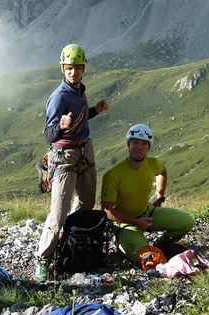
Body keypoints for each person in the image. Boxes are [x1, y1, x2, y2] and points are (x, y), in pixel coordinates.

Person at [35, 44, 108, 280]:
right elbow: (48, 135)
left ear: (82, 68)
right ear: (63, 69)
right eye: (69, 68)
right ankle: (43, 260)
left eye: (76, 68)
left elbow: (80, 117)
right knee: (58, 212)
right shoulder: (59, 97)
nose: (73, 73)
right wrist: (61, 126)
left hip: (85, 153)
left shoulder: (79, 92)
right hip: (65, 157)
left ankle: (71, 244)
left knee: (86, 204)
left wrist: (94, 111)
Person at [101, 124, 194, 265]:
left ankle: (159, 245)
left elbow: (163, 171)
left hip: (147, 213)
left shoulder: (152, 164)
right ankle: (125, 241)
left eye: (144, 144)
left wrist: (160, 197)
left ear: (149, 147)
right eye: (135, 143)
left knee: (186, 222)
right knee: (148, 259)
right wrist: (136, 223)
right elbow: (107, 211)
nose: (139, 147)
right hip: (124, 224)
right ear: (128, 144)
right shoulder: (113, 175)